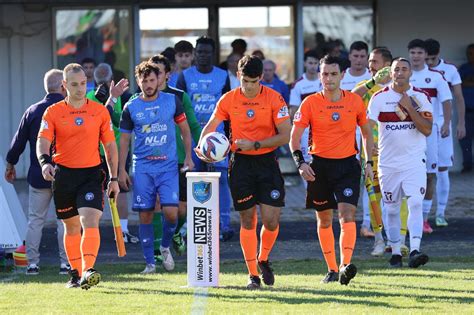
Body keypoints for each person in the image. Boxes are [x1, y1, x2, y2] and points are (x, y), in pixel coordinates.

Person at [195, 55, 291, 289]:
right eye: (244, 80)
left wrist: (257, 144)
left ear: (261, 79)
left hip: (267, 162)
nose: (248, 86)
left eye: (253, 81)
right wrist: (201, 145)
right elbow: (211, 125)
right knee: (247, 221)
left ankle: (263, 258)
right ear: (238, 76)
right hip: (240, 164)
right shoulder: (228, 99)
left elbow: (285, 135)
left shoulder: (274, 98)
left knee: (270, 221)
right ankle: (252, 275)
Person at [290, 55, 374, 285]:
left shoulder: (355, 102)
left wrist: (368, 163)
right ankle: (331, 269)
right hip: (319, 167)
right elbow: (294, 139)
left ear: (342, 75)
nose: (329, 78)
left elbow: (367, 134)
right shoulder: (310, 103)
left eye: (333, 74)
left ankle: (346, 265)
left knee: (347, 215)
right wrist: (301, 163)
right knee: (324, 220)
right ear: (319, 76)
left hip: (348, 165)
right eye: (325, 74)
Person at [37, 63, 120, 289]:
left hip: (91, 174)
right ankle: (76, 274)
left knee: (89, 220)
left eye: (83, 83)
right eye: (74, 84)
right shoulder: (52, 112)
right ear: (64, 85)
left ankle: (89, 270)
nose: (80, 88)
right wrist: (45, 163)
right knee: (72, 227)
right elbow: (42, 141)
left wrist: (114, 179)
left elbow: (111, 147)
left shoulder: (99, 110)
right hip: (63, 176)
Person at [119, 61, 194, 274]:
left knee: (171, 213)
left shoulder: (172, 101)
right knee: (145, 215)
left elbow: (185, 131)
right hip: (142, 168)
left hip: (168, 166)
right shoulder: (131, 106)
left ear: (159, 79)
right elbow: (124, 141)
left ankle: (164, 246)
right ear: (138, 81)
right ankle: (150, 263)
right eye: (145, 81)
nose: (149, 84)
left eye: (152, 80)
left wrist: (188, 156)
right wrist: (121, 170)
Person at [368, 57, 433, 268]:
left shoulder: (421, 97)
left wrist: (409, 108)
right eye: (397, 69)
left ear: (410, 73)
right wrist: (368, 157)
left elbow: (427, 129)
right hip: (387, 163)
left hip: (414, 161)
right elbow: (366, 128)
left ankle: (414, 249)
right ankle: (395, 251)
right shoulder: (378, 97)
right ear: (391, 72)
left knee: (415, 203)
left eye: (404, 69)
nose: (400, 73)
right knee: (392, 209)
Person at [5, 69, 69, 275]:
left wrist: (10, 164)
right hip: (64, 174)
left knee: (35, 220)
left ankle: (32, 263)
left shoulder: (32, 111)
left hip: (38, 174)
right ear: (63, 86)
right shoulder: (68, 109)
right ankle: (65, 263)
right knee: (64, 221)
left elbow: (18, 142)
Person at [176, 36, 235, 241]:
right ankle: (198, 224)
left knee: (221, 180)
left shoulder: (223, 75)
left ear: (213, 54)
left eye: (207, 52)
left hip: (217, 138)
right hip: (193, 138)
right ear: (195, 53)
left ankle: (223, 225)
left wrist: (229, 136)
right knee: (196, 180)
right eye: (199, 52)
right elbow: (180, 107)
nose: (203, 56)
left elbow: (229, 108)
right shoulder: (185, 76)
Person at [148, 54, 202, 260]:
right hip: (154, 160)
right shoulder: (142, 97)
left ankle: (176, 233)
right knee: (158, 204)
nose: (153, 77)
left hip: (179, 159)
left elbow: (194, 126)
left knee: (180, 210)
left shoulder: (179, 96)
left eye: (158, 73)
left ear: (167, 75)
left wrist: (203, 149)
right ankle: (157, 251)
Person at [86, 63, 138, 243]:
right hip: (100, 153)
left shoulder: (121, 97)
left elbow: (124, 122)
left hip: (114, 152)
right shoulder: (90, 97)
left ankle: (121, 231)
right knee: (99, 193)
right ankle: (101, 232)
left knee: (120, 190)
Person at [407, 39, 452, 234]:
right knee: (406, 174)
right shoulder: (402, 75)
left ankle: (424, 219)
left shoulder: (436, 76)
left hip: (430, 131)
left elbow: (447, 100)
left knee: (430, 174)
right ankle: (406, 219)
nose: (416, 56)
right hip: (406, 131)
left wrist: (446, 123)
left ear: (426, 55)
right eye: (413, 52)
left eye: (419, 52)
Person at [352, 47, 393, 256]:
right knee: (373, 196)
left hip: (395, 153)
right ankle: (378, 239)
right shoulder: (366, 86)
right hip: (370, 154)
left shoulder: (398, 87)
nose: (370, 65)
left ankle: (397, 240)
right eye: (369, 61)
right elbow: (351, 99)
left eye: (374, 62)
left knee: (395, 197)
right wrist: (373, 81)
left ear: (387, 65)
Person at [425, 38, 467, 227]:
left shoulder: (449, 70)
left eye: (432, 59)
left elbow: (458, 97)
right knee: (424, 172)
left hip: (442, 125)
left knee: (442, 170)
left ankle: (440, 213)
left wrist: (460, 124)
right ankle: (421, 216)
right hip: (422, 126)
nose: (429, 63)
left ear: (438, 54)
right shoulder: (415, 70)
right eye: (427, 59)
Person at [289, 49, 322, 163]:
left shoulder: (326, 81)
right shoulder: (298, 85)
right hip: (305, 132)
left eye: (315, 63)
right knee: (307, 162)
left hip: (324, 128)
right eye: (310, 63)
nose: (313, 66)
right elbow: (293, 111)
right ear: (304, 63)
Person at [459, 43, 474, 173]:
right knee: (465, 141)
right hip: (468, 112)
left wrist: (469, 82)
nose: (471, 56)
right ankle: (468, 166)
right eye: (469, 53)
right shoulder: (463, 68)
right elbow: (459, 84)